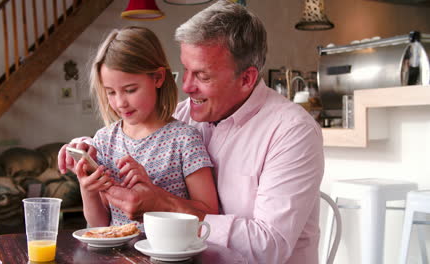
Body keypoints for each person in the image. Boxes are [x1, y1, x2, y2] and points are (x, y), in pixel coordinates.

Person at [59, 1, 324, 263]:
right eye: (185, 69)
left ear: (246, 79)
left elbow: (268, 248)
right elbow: (136, 128)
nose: (186, 86)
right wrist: (85, 146)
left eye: (202, 76)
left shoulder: (291, 132)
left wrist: (162, 205)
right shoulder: (185, 116)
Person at [61, 26, 218, 228]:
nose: (120, 103)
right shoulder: (104, 140)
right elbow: (98, 224)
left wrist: (154, 194)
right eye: (110, 92)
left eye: (130, 90)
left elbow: (210, 216)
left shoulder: (185, 139)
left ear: (158, 78)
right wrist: (88, 189)